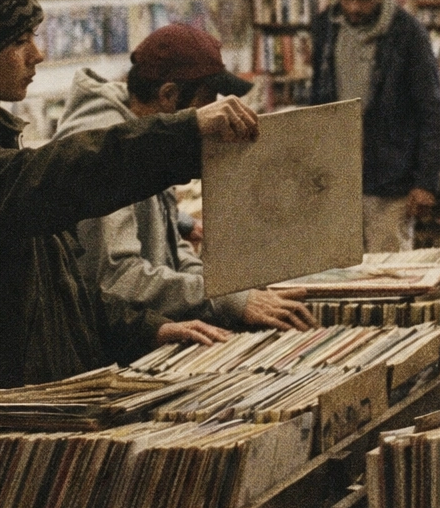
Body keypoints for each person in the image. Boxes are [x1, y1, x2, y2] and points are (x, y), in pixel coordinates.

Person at [0, 0, 260, 434]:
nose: (36, 55)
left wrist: (146, 327)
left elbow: (57, 287)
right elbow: (58, 176)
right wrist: (185, 134)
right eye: (20, 41)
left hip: (31, 409)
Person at [54, 24, 318, 332]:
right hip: (121, 342)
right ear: (169, 95)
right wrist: (228, 300)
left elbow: (171, 250)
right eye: (206, 102)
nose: (213, 115)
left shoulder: (149, 134)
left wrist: (232, 291)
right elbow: (119, 278)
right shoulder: (105, 147)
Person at [309, 0, 440, 252]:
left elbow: (431, 110)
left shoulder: (409, 35)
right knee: (337, 270)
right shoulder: (324, 29)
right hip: (336, 176)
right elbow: (316, 100)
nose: (354, 7)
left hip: (391, 180)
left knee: (390, 273)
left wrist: (426, 182)